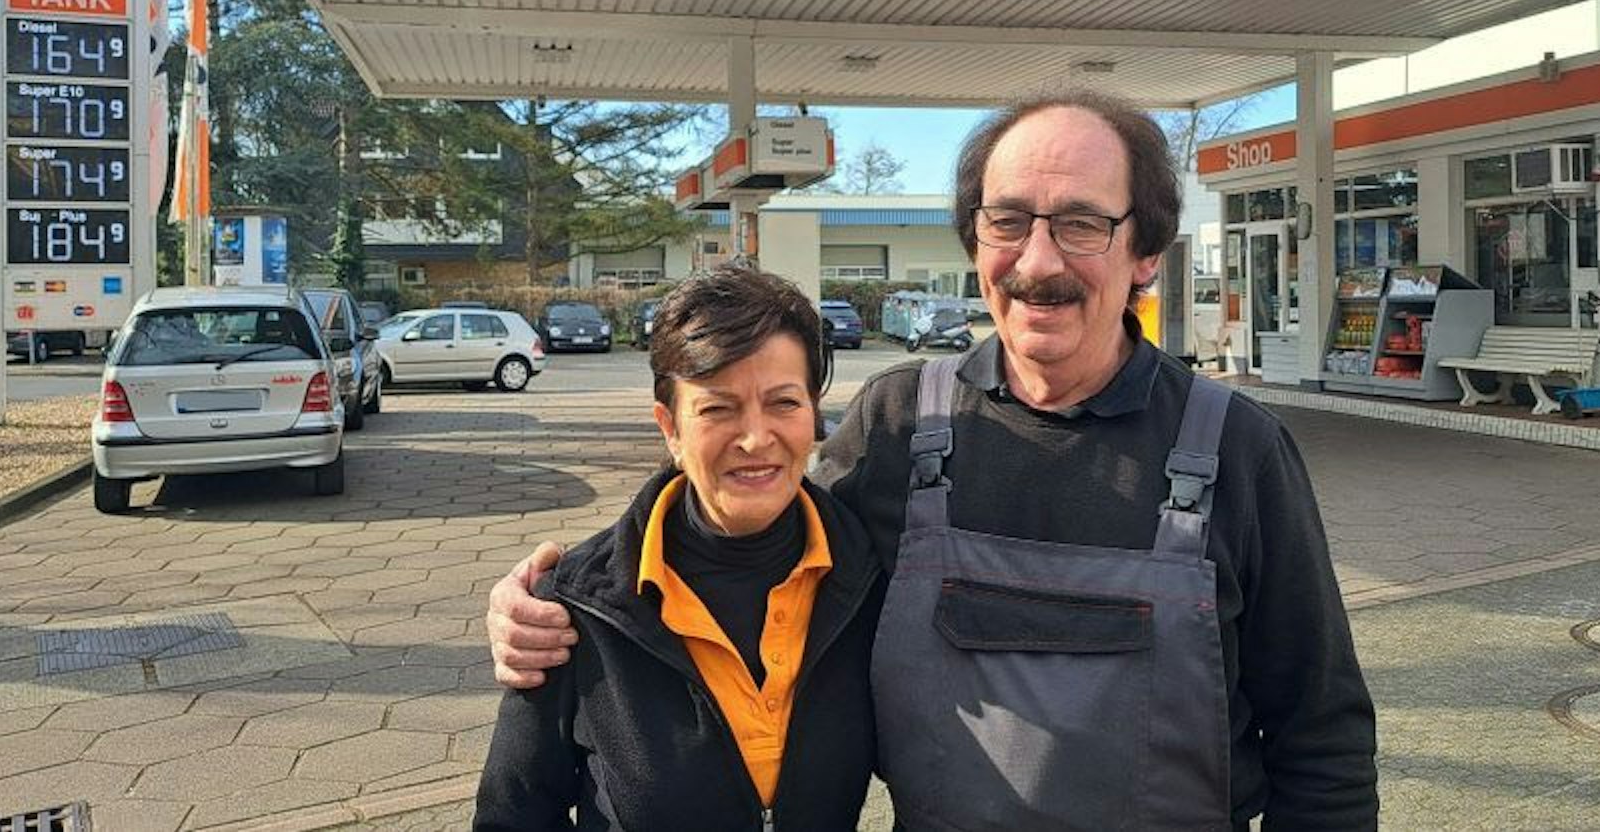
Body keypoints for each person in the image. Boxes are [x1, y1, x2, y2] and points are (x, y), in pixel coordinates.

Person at [489, 90, 1378, 830]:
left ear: (1145, 253)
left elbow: (1323, 738)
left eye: (1079, 224)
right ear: (974, 241)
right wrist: (557, 598)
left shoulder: (1239, 449)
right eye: (1008, 221)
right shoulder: (902, 421)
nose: (1037, 261)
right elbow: (744, 530)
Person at [473, 265, 882, 830]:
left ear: (814, 414)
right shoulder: (573, 609)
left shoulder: (868, 575)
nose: (756, 438)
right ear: (670, 428)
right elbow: (513, 814)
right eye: (718, 408)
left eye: (784, 402)